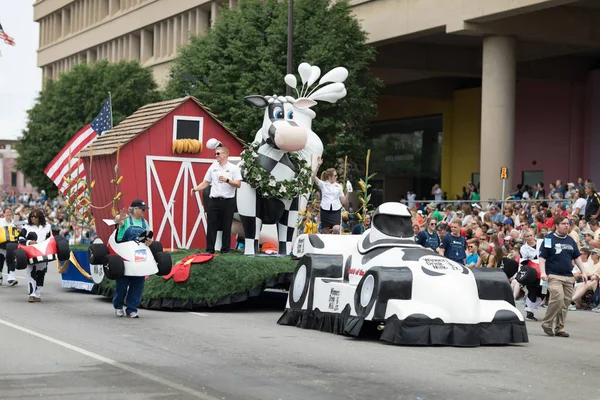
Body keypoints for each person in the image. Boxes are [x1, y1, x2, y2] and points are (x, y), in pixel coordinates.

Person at [540, 216, 588, 337]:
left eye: (568, 223)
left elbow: (577, 257)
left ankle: (559, 328)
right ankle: (547, 323)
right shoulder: (549, 238)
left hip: (568, 276)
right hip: (554, 275)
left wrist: (584, 271)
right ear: (556, 225)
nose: (567, 225)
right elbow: (542, 257)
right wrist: (543, 272)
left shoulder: (571, 240)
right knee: (558, 298)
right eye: (563, 223)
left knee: (565, 303)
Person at [191, 146, 242, 253]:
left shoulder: (233, 168)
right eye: (215, 154)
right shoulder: (213, 167)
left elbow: (238, 184)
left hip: (228, 201)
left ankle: (225, 249)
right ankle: (210, 249)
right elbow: (206, 182)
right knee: (211, 225)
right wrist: (196, 189)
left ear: (225, 155)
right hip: (214, 200)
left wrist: (227, 180)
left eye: (218, 154)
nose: (216, 156)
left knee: (226, 225)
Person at [112, 200, 154, 318]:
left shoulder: (144, 223)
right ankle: (118, 306)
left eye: (144, 209)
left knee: (138, 284)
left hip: (139, 255)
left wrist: (149, 241)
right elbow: (117, 220)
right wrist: (119, 218)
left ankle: (131, 309)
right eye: (142, 209)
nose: (144, 211)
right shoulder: (126, 220)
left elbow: (149, 239)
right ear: (134, 209)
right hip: (125, 254)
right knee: (122, 283)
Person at [18, 209, 52, 302]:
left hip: (43, 253)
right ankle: (31, 294)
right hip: (30, 253)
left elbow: (51, 239)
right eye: (32, 216)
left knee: (41, 273)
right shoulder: (27, 227)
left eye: (36, 216)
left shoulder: (47, 227)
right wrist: (29, 242)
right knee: (30, 273)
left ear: (40, 217)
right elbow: (20, 238)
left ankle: (37, 294)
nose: (33, 218)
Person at [313, 157, 347, 234]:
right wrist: (318, 166)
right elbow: (314, 177)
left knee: (336, 228)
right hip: (325, 208)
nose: (336, 177)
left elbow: (343, 201)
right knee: (326, 230)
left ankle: (333, 239)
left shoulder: (338, 186)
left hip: (336, 209)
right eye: (335, 175)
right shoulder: (323, 184)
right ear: (329, 177)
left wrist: (348, 192)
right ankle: (328, 242)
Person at [520, 229, 544, 321]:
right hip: (532, 272)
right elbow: (523, 262)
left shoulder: (541, 242)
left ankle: (532, 309)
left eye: (531, 235)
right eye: (527, 236)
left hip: (544, 269)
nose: (530, 238)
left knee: (543, 291)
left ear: (534, 235)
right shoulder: (523, 248)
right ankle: (529, 312)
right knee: (532, 290)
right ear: (524, 238)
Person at [0, 207, 18, 286]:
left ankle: (11, 279)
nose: (8, 214)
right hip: (1, 245)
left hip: (11, 245)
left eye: (10, 212)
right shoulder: (0, 221)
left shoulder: (13, 223)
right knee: (0, 262)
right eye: (7, 212)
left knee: (11, 261)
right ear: (4, 213)